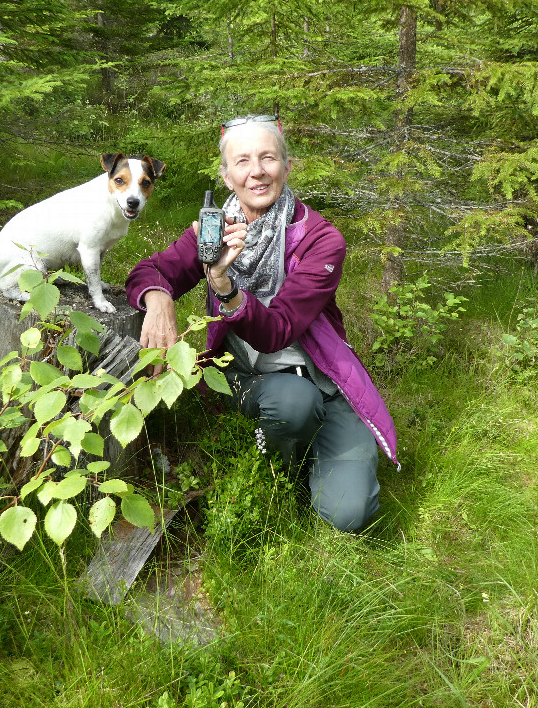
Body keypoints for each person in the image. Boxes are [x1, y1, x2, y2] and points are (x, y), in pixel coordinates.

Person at [125, 114, 397, 532]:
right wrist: (159, 300)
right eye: (243, 161)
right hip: (245, 377)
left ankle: (307, 445)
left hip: (318, 377)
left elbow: (278, 331)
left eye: (269, 158)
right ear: (227, 174)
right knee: (292, 403)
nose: (257, 171)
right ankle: (279, 473)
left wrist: (224, 286)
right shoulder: (214, 229)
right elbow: (149, 270)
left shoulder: (321, 240)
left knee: (350, 513)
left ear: (286, 167)